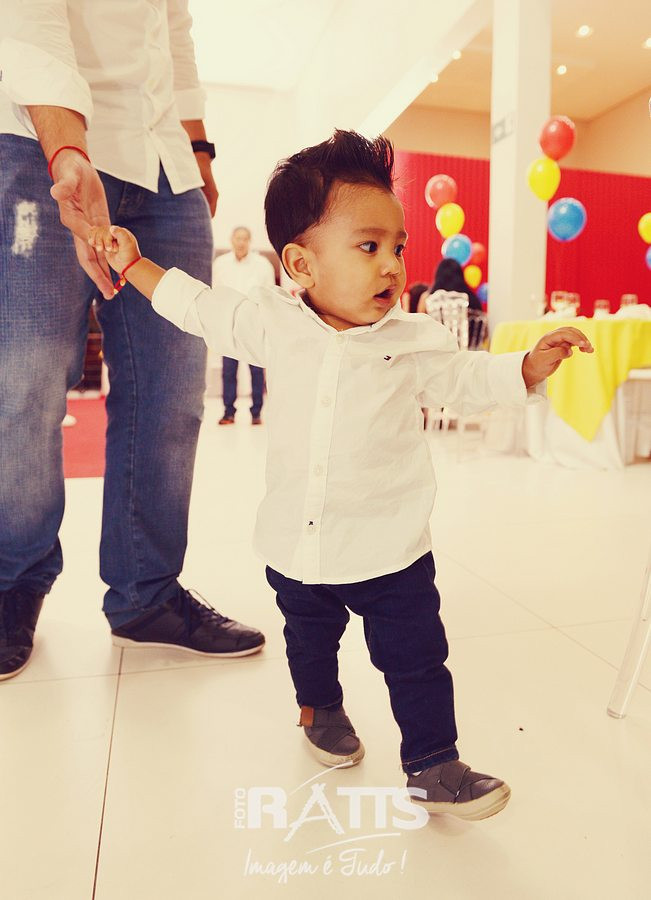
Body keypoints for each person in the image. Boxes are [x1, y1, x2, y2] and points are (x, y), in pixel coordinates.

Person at [86, 130, 593, 820]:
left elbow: (467, 380)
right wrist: (138, 263)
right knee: (310, 641)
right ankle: (318, 709)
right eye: (368, 246)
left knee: (416, 657)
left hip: (390, 545)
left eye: (398, 248)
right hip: (299, 542)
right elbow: (200, 308)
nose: (391, 266)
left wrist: (526, 367)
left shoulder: (414, 339)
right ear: (301, 264)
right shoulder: (273, 323)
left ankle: (433, 764)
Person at [0, 1, 265, 683]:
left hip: (164, 163)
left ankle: (147, 594)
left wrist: (198, 151)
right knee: (25, 383)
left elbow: (172, 34)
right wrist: (67, 150)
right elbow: (28, 20)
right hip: (38, 142)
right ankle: (12, 584)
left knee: (172, 393)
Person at [213, 227, 275, 425]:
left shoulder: (263, 265)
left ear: (250, 241)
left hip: (254, 326)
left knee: (256, 370)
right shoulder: (220, 264)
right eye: (238, 238)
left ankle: (256, 413)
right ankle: (228, 412)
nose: (241, 242)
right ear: (231, 240)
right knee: (228, 371)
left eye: (245, 239)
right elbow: (215, 294)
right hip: (228, 325)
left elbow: (270, 295)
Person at [417, 258, 483, 313]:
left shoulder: (427, 298)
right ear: (460, 276)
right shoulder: (471, 299)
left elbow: (421, 322)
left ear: (437, 276)